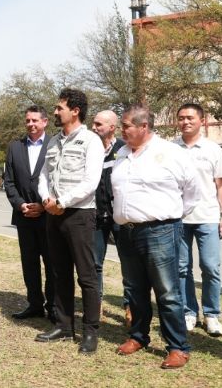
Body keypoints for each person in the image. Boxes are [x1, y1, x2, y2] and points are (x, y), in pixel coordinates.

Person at [112, 104, 202, 369]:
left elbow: (193, 191)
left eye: (126, 125)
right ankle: (139, 336)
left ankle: (177, 347)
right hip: (127, 232)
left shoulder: (170, 152)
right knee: (134, 289)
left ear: (143, 126)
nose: (122, 130)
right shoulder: (122, 153)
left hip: (160, 231)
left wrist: (168, 217)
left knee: (167, 291)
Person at [35, 88, 103, 355]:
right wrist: (46, 199)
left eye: (59, 107)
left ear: (75, 110)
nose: (55, 112)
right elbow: (43, 175)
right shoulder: (53, 142)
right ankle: (64, 326)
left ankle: (90, 332)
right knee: (59, 272)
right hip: (54, 215)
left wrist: (62, 202)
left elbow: (91, 182)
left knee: (86, 277)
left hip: (79, 216)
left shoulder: (90, 141)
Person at [174, 103, 222, 337]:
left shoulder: (213, 149)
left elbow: (221, 184)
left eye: (190, 118)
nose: (185, 122)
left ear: (202, 121)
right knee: (182, 268)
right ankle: (189, 311)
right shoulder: (171, 148)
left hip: (208, 216)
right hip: (179, 218)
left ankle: (212, 314)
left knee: (211, 267)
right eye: (181, 118)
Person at [2, 105, 55, 323]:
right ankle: (34, 304)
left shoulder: (55, 144)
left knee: (52, 263)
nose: (31, 124)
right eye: (28, 121)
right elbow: (9, 181)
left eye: (35, 120)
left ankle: (53, 306)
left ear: (45, 122)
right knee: (29, 262)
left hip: (50, 215)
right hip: (24, 216)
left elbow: (59, 179)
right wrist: (21, 205)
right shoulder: (15, 147)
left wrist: (45, 205)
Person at [90, 110, 127, 323]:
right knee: (95, 263)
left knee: (128, 263)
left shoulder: (124, 148)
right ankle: (96, 305)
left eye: (98, 124)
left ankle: (130, 306)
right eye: (93, 124)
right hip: (95, 216)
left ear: (112, 127)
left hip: (120, 216)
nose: (94, 127)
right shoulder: (89, 149)